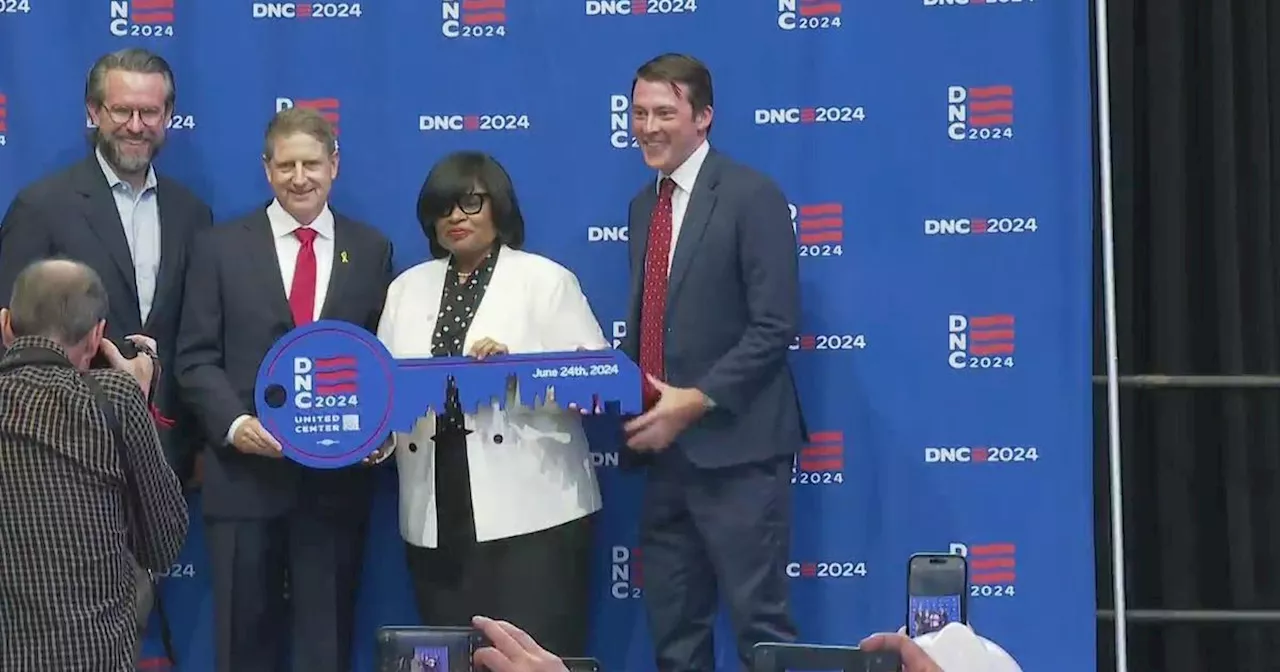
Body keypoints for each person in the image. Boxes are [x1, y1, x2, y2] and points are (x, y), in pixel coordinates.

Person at [174, 107, 393, 672]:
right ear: (267, 169)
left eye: (312, 164)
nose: (300, 177)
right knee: (242, 649)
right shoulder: (218, 247)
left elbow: (380, 361)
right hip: (242, 482)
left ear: (334, 166)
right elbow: (195, 357)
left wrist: (379, 432)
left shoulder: (371, 250)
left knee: (328, 649)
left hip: (334, 488)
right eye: (287, 164)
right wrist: (233, 424)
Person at [372, 151, 605, 656]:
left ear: (498, 206)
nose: (455, 217)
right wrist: (373, 440)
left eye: (471, 203)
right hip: (435, 506)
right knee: (454, 659)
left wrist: (517, 367)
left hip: (535, 511)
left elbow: (596, 386)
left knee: (537, 655)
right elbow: (387, 395)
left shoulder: (545, 280)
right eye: (443, 207)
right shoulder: (406, 289)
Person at [618, 53, 807, 670]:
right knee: (674, 640)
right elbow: (653, 324)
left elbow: (775, 325)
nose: (647, 126)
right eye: (639, 112)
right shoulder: (644, 206)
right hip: (663, 459)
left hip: (738, 453)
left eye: (664, 113)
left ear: (703, 118)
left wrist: (693, 402)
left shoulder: (752, 195)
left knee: (763, 632)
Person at [0, 48, 213, 486]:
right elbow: (9, 335)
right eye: (121, 110)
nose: (136, 126)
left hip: (163, 455)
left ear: (168, 115)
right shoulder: (41, 207)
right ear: (94, 111)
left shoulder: (191, 212)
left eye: (149, 112)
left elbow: (195, 335)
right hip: (59, 449)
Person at [0, 258, 189, 671]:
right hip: (91, 655)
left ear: (6, 325)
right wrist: (139, 395)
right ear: (97, 336)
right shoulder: (115, 397)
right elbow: (163, 543)